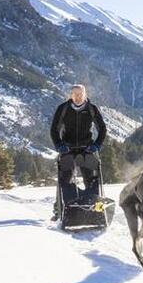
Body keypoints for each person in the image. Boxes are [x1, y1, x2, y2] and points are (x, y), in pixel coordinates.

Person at [50, 84, 107, 218]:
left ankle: (95, 209)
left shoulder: (91, 109)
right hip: (67, 149)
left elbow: (102, 129)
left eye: (80, 94)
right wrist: (59, 145)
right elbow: (54, 129)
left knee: (91, 180)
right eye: (75, 94)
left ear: (85, 94)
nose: (77, 97)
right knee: (64, 180)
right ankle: (59, 210)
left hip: (86, 148)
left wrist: (97, 145)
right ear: (71, 95)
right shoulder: (63, 109)